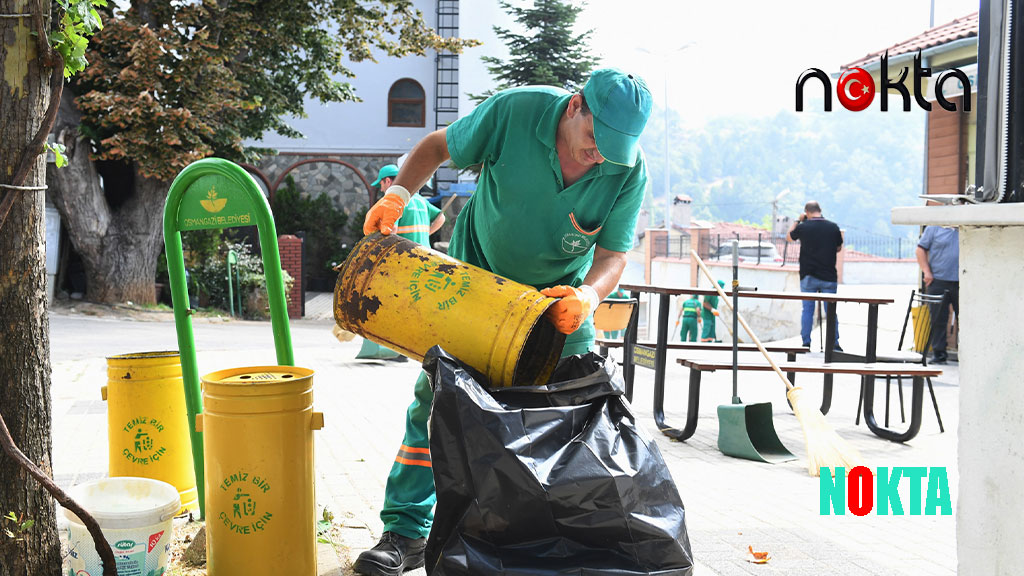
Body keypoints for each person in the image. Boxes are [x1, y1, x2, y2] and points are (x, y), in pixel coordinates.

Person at [354, 68, 652, 576]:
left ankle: (545, 537)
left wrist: (588, 295)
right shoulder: (516, 111)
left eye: (614, 149)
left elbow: (613, 256)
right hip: (474, 286)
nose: (599, 155)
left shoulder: (627, 169)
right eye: (594, 138)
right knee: (438, 401)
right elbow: (437, 146)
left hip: (555, 305)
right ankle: (405, 531)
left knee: (571, 412)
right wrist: (398, 195)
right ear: (576, 106)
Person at [355, 165, 448, 362]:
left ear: (388, 181)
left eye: (381, 184)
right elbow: (441, 217)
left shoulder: (394, 201)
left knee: (399, 306)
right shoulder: (420, 200)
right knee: (417, 305)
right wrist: (426, 233)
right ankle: (420, 349)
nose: (381, 189)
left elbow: (392, 228)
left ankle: (401, 351)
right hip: (425, 258)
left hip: (404, 261)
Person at [787, 201, 843, 351]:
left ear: (807, 212)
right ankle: (834, 344)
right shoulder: (833, 227)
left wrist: (798, 220)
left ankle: (806, 343)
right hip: (828, 276)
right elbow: (838, 248)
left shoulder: (803, 227)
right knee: (831, 311)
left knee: (807, 310)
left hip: (808, 275)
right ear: (820, 210)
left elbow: (789, 237)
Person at [915, 225, 959, 364]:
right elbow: (920, 249)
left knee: (967, 319)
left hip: (962, 281)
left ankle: (968, 354)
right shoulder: (934, 228)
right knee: (938, 319)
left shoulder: (966, 226)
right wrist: (926, 271)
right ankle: (939, 354)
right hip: (938, 280)